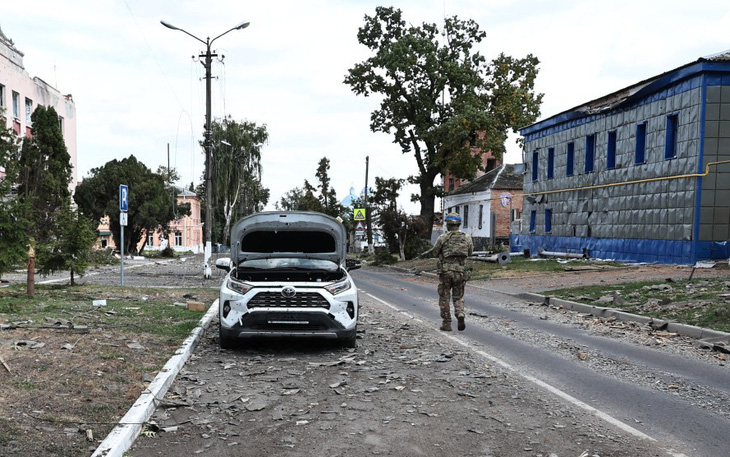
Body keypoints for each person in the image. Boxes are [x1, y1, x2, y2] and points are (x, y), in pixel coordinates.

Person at [419, 213, 473, 331]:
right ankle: (460, 313)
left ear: (448, 225)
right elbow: (470, 252)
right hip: (461, 271)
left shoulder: (442, 238)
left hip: (446, 272)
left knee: (444, 297)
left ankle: (447, 323)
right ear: (459, 224)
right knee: (458, 296)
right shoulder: (467, 237)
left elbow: (435, 252)